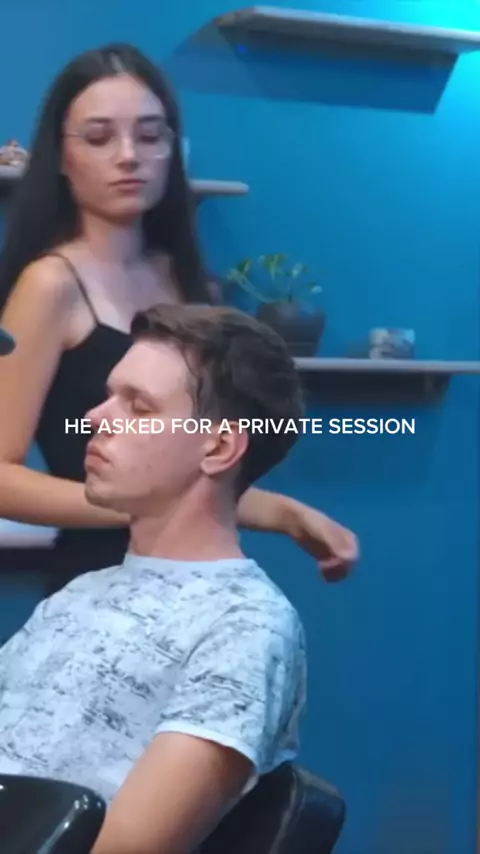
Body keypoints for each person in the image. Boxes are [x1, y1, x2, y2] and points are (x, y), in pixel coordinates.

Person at [0, 42, 357, 594]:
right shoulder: (51, 285)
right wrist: (136, 503)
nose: (128, 156)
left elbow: (194, 464)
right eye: (99, 137)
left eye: (149, 136)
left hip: (198, 577)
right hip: (100, 585)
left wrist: (285, 513)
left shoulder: (190, 283)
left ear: (171, 147)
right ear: (63, 156)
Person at [0, 302, 307, 854]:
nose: (95, 418)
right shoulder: (76, 598)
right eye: (109, 396)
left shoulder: (243, 626)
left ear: (219, 447)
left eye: (138, 407)